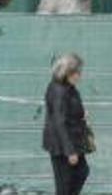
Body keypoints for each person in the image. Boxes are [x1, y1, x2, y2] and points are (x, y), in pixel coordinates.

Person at [44, 53, 92, 195]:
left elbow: (68, 110)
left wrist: (81, 113)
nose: (80, 75)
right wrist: (70, 151)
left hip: (72, 141)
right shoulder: (59, 90)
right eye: (78, 72)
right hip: (62, 146)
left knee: (82, 172)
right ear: (68, 72)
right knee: (64, 185)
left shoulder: (67, 87)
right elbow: (59, 122)